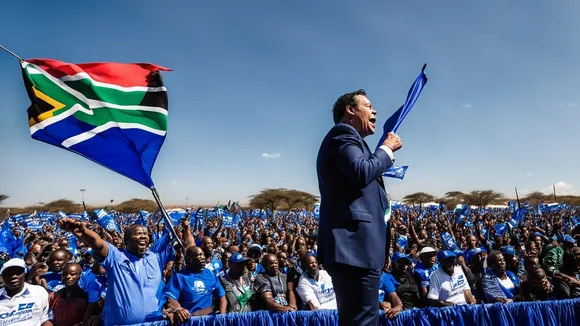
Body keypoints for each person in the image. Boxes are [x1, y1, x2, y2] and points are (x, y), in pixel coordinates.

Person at [316, 89, 402, 326]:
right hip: (353, 249)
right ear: (350, 111)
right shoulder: (342, 135)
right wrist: (386, 149)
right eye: (368, 106)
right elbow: (361, 172)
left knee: (363, 320)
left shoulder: (356, 143)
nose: (375, 111)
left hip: (359, 251)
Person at [0, 258, 53, 326]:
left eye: (18, 272)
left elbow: (45, 320)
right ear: (1, 276)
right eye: (8, 273)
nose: (14, 276)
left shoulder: (39, 292)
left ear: (24, 273)